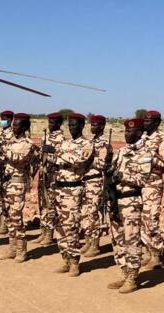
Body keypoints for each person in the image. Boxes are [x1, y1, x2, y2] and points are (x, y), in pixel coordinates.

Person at [107, 117, 147, 294]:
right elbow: (111, 173)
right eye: (125, 131)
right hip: (116, 199)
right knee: (117, 239)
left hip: (131, 201)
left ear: (139, 133)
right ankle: (123, 272)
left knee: (132, 240)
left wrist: (121, 176)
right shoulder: (121, 151)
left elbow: (143, 180)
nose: (126, 134)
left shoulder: (145, 154)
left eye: (130, 131)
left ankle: (132, 277)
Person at [51, 113, 94, 276]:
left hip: (73, 189)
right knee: (59, 226)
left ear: (82, 125)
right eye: (70, 125)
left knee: (71, 226)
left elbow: (78, 161)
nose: (72, 128)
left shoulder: (87, 144)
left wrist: (57, 154)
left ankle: (75, 261)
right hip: (59, 188)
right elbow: (56, 162)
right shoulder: (65, 143)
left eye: (75, 125)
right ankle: (66, 259)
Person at [1, 113, 40, 262]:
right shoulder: (11, 142)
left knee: (16, 217)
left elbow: (16, 158)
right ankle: (12, 247)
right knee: (9, 216)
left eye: (17, 125)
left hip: (18, 183)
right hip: (7, 182)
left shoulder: (27, 144)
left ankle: (21, 250)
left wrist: (2, 149)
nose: (13, 127)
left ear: (24, 127)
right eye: (13, 124)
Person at [80, 115, 112, 256]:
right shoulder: (90, 142)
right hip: (86, 180)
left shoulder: (104, 143)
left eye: (95, 125)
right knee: (85, 213)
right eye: (91, 125)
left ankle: (95, 244)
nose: (92, 127)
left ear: (102, 126)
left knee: (93, 213)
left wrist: (90, 161)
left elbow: (104, 164)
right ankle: (87, 240)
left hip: (96, 181)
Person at [139, 109, 164, 266]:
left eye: (148, 121)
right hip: (139, 183)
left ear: (156, 123)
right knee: (140, 219)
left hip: (153, 183)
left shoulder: (162, 139)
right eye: (144, 120)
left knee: (151, 219)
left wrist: (151, 157)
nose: (145, 123)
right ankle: (146, 250)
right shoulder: (141, 137)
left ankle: (156, 253)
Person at [36, 112, 65, 246]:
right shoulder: (45, 136)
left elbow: (62, 159)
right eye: (50, 122)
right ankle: (43, 231)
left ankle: (49, 234)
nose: (51, 125)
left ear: (59, 124)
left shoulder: (62, 139)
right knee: (43, 204)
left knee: (51, 205)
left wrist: (52, 152)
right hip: (44, 175)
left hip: (54, 176)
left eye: (54, 122)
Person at [0, 109, 15, 235]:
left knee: (5, 197)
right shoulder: (0, 132)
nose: (2, 121)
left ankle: (4, 224)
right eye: (1, 118)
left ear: (10, 120)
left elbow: (10, 151)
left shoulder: (12, 134)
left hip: (5, 168)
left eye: (4, 119)